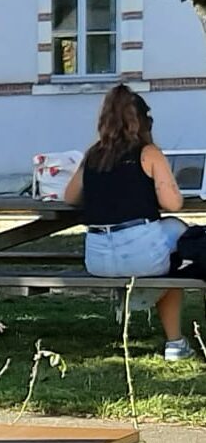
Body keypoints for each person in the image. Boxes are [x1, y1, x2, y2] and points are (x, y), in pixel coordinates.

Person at [63, 84, 193, 361]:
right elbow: (173, 204)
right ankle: (175, 342)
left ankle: (138, 301)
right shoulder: (148, 153)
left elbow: (70, 196)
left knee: (169, 244)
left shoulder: (93, 154)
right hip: (141, 254)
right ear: (142, 120)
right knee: (181, 238)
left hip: (97, 259)